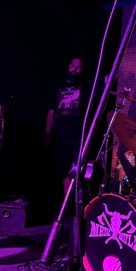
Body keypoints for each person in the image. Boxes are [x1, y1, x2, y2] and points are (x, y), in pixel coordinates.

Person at [45, 57, 91, 202]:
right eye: (73, 65)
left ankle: (78, 203)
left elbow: (103, 81)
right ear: (68, 66)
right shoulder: (58, 87)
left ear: (82, 70)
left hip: (78, 137)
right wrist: (47, 133)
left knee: (78, 171)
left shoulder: (85, 86)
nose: (75, 69)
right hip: (61, 137)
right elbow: (51, 112)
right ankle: (66, 203)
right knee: (63, 171)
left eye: (79, 67)